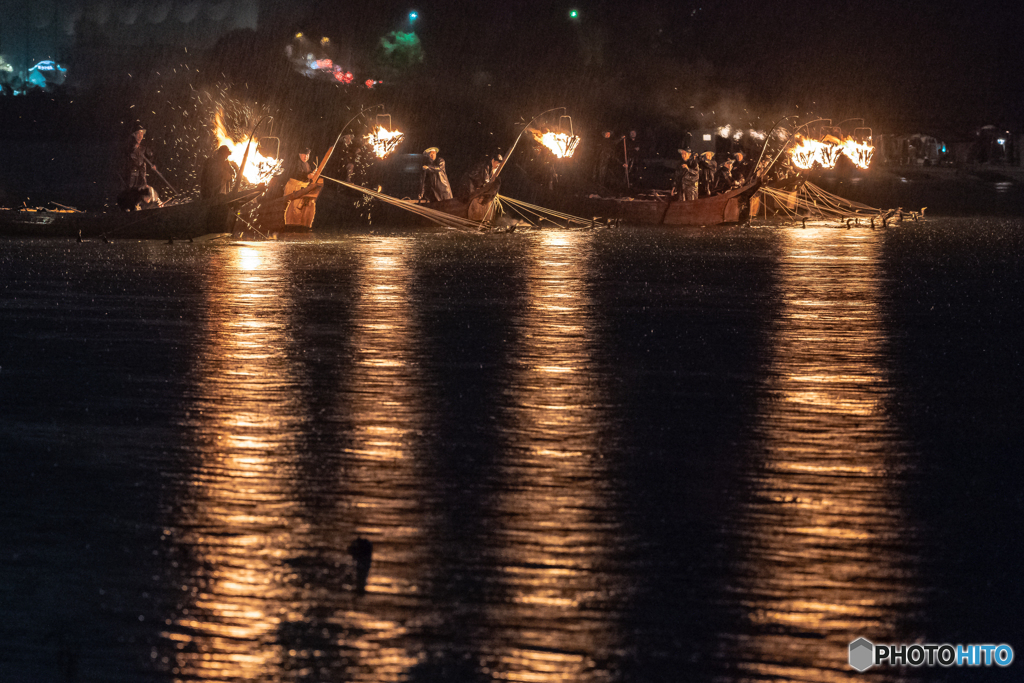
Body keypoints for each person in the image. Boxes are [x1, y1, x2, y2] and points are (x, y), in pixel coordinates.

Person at [126, 122, 155, 191]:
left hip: (142, 170)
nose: (140, 136)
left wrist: (153, 164)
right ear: (134, 135)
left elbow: (150, 156)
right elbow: (126, 155)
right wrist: (134, 148)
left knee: (144, 185)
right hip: (132, 171)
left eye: (141, 133)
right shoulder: (130, 145)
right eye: (138, 133)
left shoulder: (144, 146)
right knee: (131, 186)